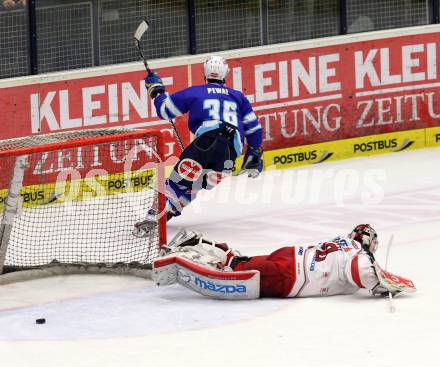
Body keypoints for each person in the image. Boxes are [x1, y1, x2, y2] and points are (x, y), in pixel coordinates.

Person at [152, 224, 416, 300]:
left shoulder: (344, 242)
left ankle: (198, 243)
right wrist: (380, 285)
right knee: (238, 271)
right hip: (292, 276)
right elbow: (360, 271)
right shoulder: (359, 255)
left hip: (289, 255)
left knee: (239, 260)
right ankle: (191, 258)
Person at [143, 55, 263, 221]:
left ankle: (152, 217)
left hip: (207, 141)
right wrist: (254, 154)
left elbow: (164, 111)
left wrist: (156, 90)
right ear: (225, 74)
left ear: (204, 74)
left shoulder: (195, 92)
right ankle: (169, 212)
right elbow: (254, 128)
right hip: (231, 152)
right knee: (197, 184)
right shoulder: (239, 97)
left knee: (178, 181)